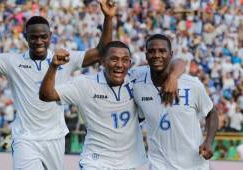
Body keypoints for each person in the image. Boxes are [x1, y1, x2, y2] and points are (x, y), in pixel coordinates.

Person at [0, 1, 116, 170]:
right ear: (25, 37)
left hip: (55, 138)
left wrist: (108, 18)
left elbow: (101, 52)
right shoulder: (12, 61)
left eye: (43, 36)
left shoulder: (65, 58)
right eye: (33, 37)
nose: (39, 41)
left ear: (50, 36)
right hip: (25, 138)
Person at [39, 40, 185, 169]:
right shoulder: (84, 84)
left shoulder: (136, 76)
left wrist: (173, 76)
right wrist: (53, 67)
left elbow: (178, 62)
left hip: (130, 163)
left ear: (130, 62)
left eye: (125, 60)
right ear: (102, 61)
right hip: (95, 162)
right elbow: (46, 95)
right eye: (114, 59)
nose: (120, 65)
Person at [133, 34, 218, 170]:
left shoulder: (192, 84)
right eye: (152, 51)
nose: (157, 55)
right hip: (158, 165)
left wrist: (208, 141)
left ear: (171, 54)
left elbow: (211, 112)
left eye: (162, 51)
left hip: (194, 165)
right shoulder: (137, 84)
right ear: (146, 55)